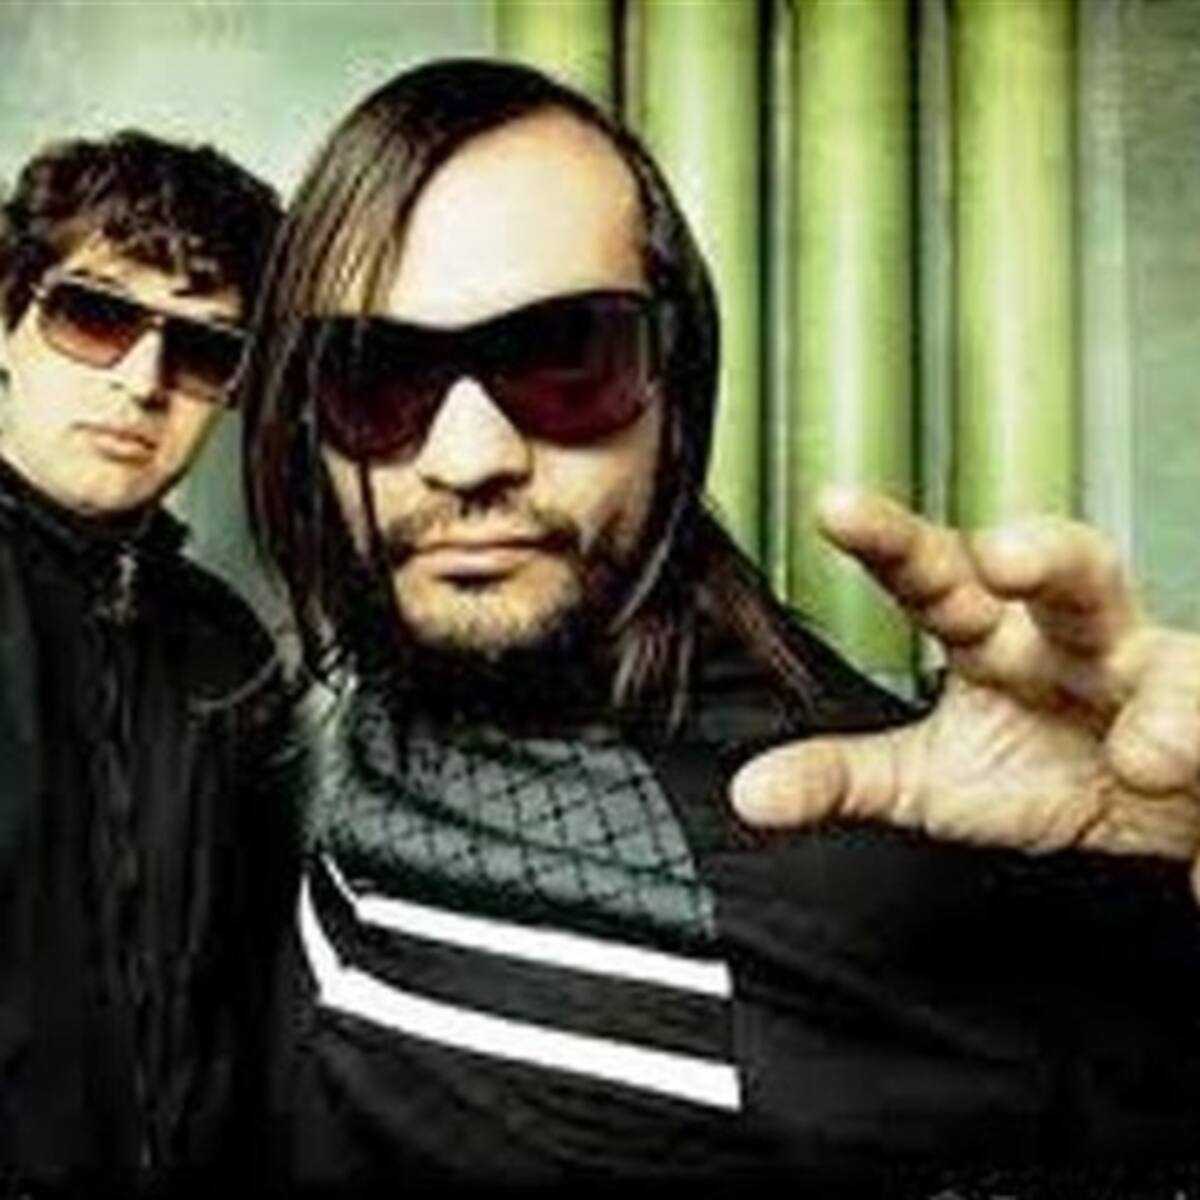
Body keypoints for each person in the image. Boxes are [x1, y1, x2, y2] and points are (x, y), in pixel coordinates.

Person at [241, 60, 1200, 1190]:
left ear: (676, 390)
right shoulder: (400, 676)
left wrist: (1161, 888)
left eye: (565, 358)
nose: (467, 458)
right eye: (375, 375)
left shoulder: (830, 840)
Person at [0, 130, 293, 1190]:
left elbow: (255, 999)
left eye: (205, 350)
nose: (143, 382)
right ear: (7, 319)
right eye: (95, 315)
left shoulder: (229, 648)